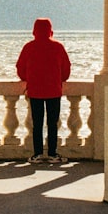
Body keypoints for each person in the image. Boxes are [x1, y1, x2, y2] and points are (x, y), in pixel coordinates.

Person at [16, 18, 72, 164]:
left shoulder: (28, 47)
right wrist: (59, 79)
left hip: (35, 91)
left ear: (34, 31)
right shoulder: (58, 47)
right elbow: (66, 69)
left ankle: (37, 154)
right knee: (53, 123)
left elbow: (20, 68)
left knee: (37, 123)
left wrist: (28, 78)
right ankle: (53, 153)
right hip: (54, 90)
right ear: (50, 31)